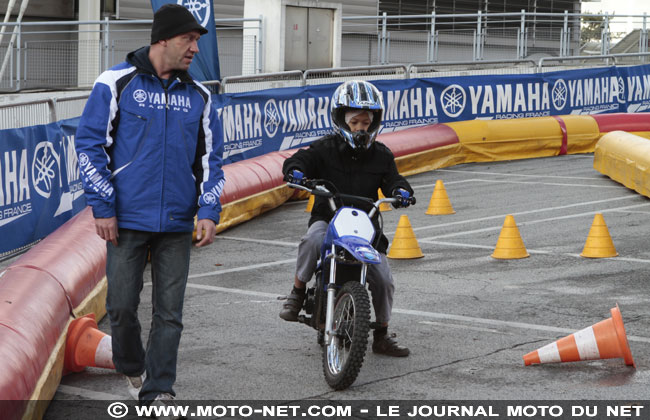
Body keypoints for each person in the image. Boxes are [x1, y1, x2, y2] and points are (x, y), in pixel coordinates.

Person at [75, 4, 225, 405]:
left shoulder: (200, 96)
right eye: (187, 39)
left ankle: (159, 389)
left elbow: (212, 160)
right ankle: (130, 364)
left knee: (169, 314)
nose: (194, 48)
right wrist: (103, 207)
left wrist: (209, 211)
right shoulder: (116, 82)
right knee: (121, 308)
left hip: (177, 222)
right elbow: (90, 146)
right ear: (162, 39)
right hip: (126, 219)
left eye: (196, 40)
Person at [279, 80, 414, 357]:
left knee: (384, 278)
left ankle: (382, 334)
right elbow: (300, 160)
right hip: (328, 218)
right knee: (312, 239)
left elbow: (393, 180)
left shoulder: (382, 155)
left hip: (365, 226)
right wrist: (295, 172)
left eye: (366, 122)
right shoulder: (324, 148)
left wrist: (401, 191)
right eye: (355, 122)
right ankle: (298, 291)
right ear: (342, 120)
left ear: (374, 123)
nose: (361, 128)